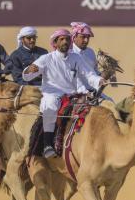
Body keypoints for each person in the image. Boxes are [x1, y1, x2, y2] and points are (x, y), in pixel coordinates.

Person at [22, 29, 104, 158]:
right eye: (61, 39)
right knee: (51, 106)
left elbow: (88, 74)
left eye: (67, 39)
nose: (65, 41)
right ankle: (47, 145)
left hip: (72, 94)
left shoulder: (76, 58)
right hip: (52, 94)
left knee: (94, 105)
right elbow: (27, 75)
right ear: (55, 43)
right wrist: (29, 71)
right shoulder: (46, 58)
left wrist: (99, 81)